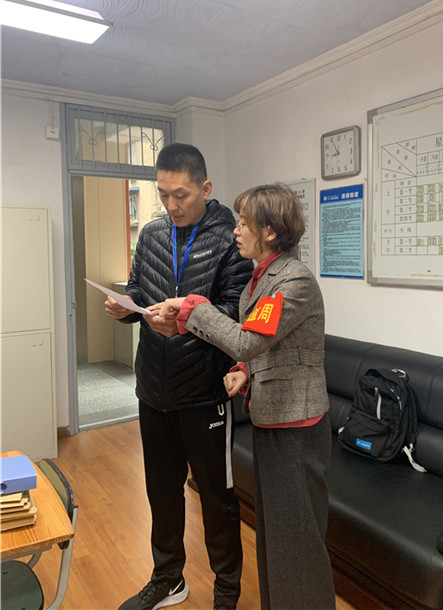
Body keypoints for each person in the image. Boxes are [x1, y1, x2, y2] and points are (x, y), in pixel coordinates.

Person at [156, 183, 336, 610]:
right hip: (273, 420)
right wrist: (244, 371)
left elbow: (246, 340)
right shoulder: (261, 279)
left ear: (269, 231)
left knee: (298, 541)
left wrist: (194, 308)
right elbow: (266, 347)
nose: (236, 230)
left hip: (297, 429)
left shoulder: (292, 281)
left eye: (243, 223)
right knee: (276, 535)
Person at [105, 143, 254, 610]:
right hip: (152, 389)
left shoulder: (231, 240)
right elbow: (138, 289)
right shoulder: (152, 234)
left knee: (216, 500)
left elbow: (237, 314)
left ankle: (226, 593)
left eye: (181, 195)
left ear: (205, 188)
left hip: (203, 394)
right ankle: (168, 578)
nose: (171, 204)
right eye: (163, 194)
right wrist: (124, 308)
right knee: (161, 493)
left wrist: (186, 321)